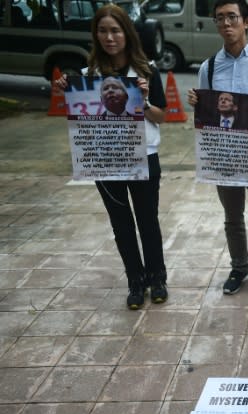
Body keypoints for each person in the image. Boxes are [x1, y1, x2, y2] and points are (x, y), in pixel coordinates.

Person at [55, 4, 169, 310]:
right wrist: (66, 89)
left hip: (143, 157)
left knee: (147, 221)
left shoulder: (146, 72)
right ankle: (136, 280)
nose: (109, 37)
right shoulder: (86, 77)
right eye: (103, 31)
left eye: (115, 30)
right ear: (96, 35)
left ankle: (158, 278)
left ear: (127, 34)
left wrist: (142, 100)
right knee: (121, 224)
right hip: (105, 161)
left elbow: (162, 116)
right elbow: (78, 116)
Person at [186, 0, 248, 298]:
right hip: (225, 155)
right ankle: (239, 267)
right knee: (232, 218)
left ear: (247, 22)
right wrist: (197, 106)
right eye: (220, 19)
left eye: (232, 17)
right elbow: (205, 120)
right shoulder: (209, 67)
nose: (226, 24)